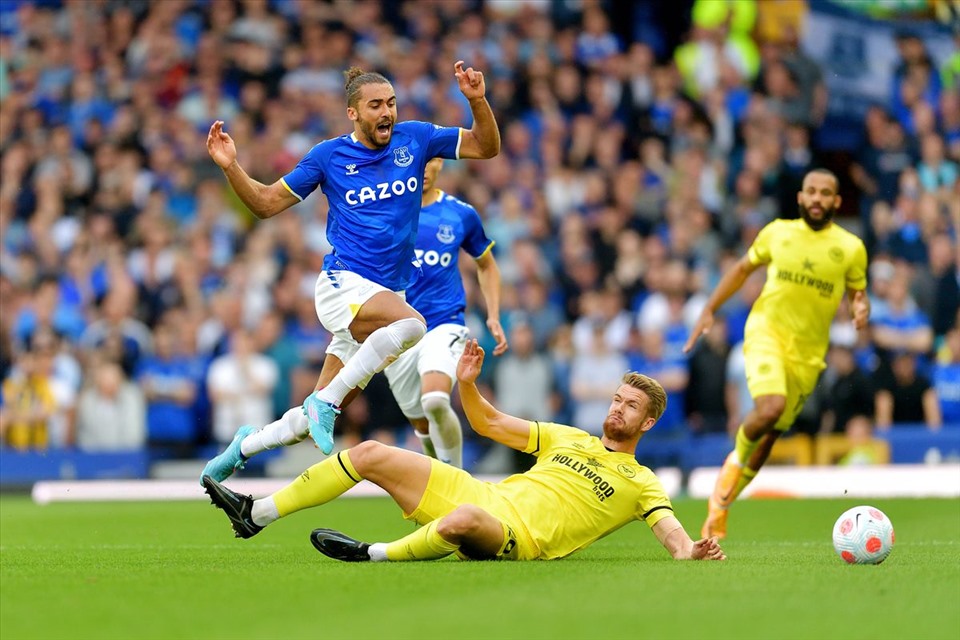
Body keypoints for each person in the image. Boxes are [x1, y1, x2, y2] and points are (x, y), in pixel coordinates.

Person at [203, 61, 500, 468]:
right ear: (353, 113)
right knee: (413, 325)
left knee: (309, 422)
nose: (387, 113)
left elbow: (486, 146)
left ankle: (241, 448)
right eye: (376, 105)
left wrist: (478, 101)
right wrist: (230, 166)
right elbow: (265, 203)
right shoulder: (328, 157)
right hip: (343, 286)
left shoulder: (415, 138)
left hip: (384, 297)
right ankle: (324, 404)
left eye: (391, 103)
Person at [202, 340, 726, 563]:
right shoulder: (570, 437)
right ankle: (258, 513)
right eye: (616, 398)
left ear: (648, 422)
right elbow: (488, 422)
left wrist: (691, 551)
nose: (617, 409)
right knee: (370, 453)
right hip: (482, 493)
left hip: (518, 537)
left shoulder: (642, 482)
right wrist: (468, 384)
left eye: (630, 407)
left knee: (465, 520)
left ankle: (372, 554)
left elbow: (675, 540)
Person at [684, 169, 870, 539]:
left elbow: (857, 294)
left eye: (825, 193)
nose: (817, 198)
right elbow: (742, 269)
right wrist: (710, 308)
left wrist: (861, 307)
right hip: (766, 332)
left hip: (809, 355)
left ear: (836, 201)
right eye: (811, 192)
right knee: (769, 408)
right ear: (800, 197)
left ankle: (722, 505)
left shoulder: (851, 248)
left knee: (770, 436)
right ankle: (724, 486)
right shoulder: (777, 232)